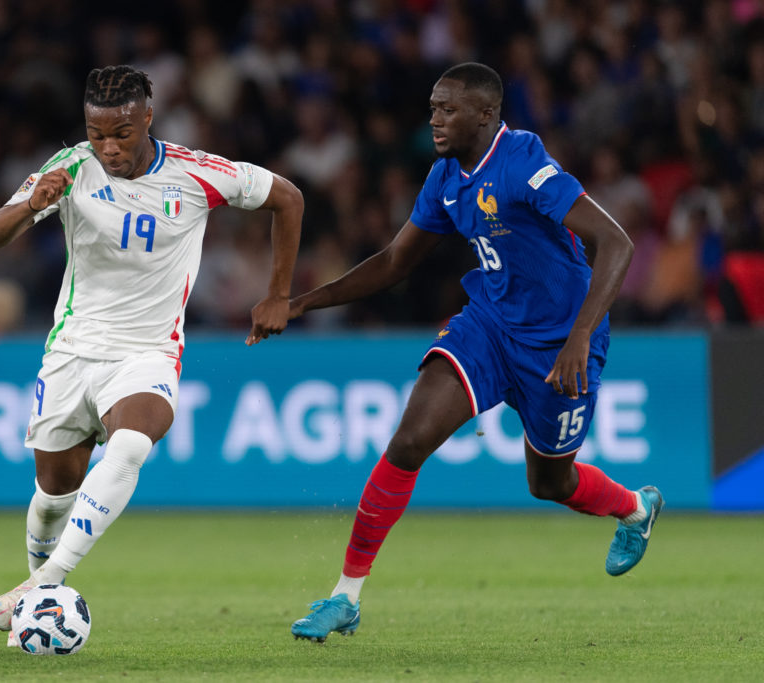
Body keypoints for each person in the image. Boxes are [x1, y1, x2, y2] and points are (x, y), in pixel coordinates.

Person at [272, 62, 663, 643]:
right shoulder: (445, 178)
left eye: (447, 109)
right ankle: (345, 597)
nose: (433, 119)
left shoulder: (524, 161)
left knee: (549, 483)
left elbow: (617, 242)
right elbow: (394, 263)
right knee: (408, 441)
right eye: (432, 107)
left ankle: (634, 507)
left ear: (485, 114)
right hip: (489, 325)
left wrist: (581, 333)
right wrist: (302, 303)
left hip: (560, 343)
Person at [0, 65, 302, 638]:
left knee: (131, 445)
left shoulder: (197, 173)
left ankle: (43, 585)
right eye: (97, 133)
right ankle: (40, 596)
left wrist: (278, 293)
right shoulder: (69, 167)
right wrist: (32, 205)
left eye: (121, 134)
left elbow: (288, 197)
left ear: (147, 118)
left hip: (148, 352)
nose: (108, 147)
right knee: (55, 495)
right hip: (72, 351)